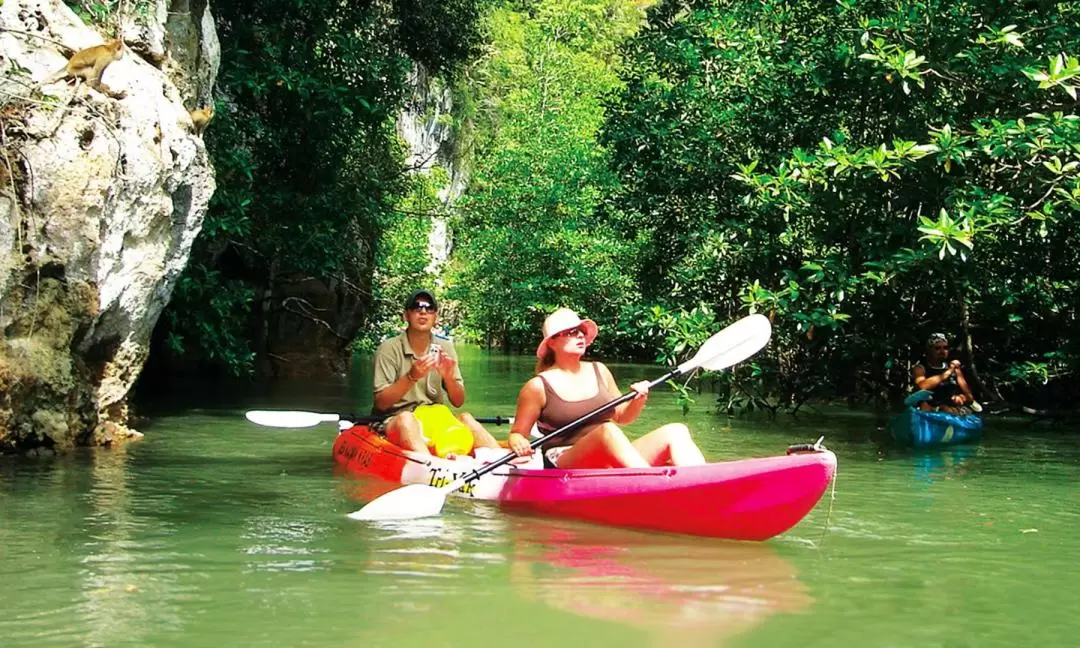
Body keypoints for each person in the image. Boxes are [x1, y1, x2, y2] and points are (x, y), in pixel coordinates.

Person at [506, 308, 707, 469]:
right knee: (607, 430)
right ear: (552, 343)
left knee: (676, 431)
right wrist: (518, 442)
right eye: (571, 332)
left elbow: (622, 416)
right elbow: (518, 433)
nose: (579, 336)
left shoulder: (599, 370)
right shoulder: (537, 386)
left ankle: (701, 483)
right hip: (564, 460)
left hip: (607, 451)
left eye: (581, 331)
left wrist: (638, 401)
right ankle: (652, 482)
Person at [371, 289, 500, 456]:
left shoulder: (444, 348)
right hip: (395, 418)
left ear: (435, 317)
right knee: (406, 419)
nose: (423, 312)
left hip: (433, 416)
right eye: (417, 307)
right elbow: (381, 403)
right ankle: (430, 465)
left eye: (429, 308)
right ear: (406, 315)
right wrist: (412, 376)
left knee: (466, 418)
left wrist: (449, 377)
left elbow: (458, 401)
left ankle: (504, 463)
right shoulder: (388, 348)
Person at [912, 332, 975, 413]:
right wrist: (946, 374)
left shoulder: (955, 369)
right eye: (937, 348)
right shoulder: (920, 368)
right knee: (925, 406)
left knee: (948, 409)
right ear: (929, 350)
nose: (942, 351)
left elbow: (970, 397)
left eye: (945, 348)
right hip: (929, 409)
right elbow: (922, 386)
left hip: (949, 409)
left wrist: (962, 398)